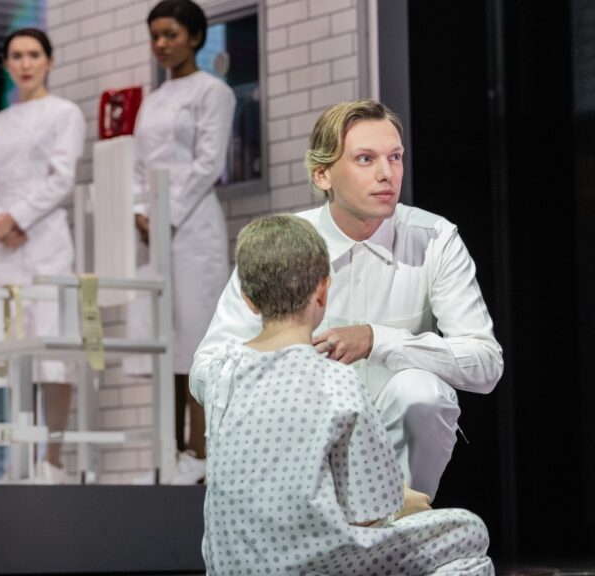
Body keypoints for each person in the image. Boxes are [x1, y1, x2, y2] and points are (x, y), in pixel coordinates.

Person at [192, 100, 504, 499]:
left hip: (393, 453)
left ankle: (400, 518)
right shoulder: (283, 244)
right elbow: (205, 369)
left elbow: (486, 364)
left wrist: (378, 340)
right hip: (300, 442)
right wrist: (279, 375)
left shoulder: (435, 238)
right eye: (365, 159)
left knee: (422, 393)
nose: (386, 173)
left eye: (395, 157)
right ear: (322, 174)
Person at [195, 213, 493, 575]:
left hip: (229, 566)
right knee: (468, 531)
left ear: (248, 300)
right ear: (323, 291)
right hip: (311, 562)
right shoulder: (336, 381)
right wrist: (409, 502)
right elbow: (374, 509)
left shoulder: (220, 374)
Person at [0, 28, 86, 484]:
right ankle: (18, 458)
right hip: (3, 248)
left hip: (44, 242)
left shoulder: (64, 113)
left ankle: (51, 459)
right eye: (16, 56)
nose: (25, 63)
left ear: (49, 61)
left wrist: (17, 217)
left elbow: (61, 177)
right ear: (6, 64)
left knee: (52, 352)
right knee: (9, 352)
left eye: (34, 55)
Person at [129, 0, 236, 484]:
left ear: (194, 36)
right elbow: (138, 166)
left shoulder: (214, 92)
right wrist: (140, 209)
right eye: (155, 36)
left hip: (193, 228)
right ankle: (167, 454)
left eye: (170, 34)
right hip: (151, 232)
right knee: (162, 340)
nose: (161, 44)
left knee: (196, 339)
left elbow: (208, 163)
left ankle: (200, 453)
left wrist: (164, 212)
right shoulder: (153, 99)